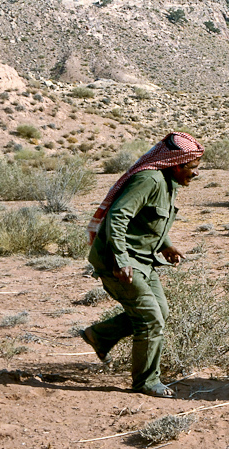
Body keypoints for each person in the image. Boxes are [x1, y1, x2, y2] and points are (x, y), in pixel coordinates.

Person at [80, 132, 204, 398]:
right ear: (176, 164)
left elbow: (147, 220)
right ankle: (146, 382)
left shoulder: (168, 182)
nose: (196, 174)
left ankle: (100, 336)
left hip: (143, 259)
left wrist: (166, 244)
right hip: (117, 260)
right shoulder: (148, 180)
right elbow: (118, 216)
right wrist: (122, 260)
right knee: (150, 318)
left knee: (161, 311)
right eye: (193, 168)